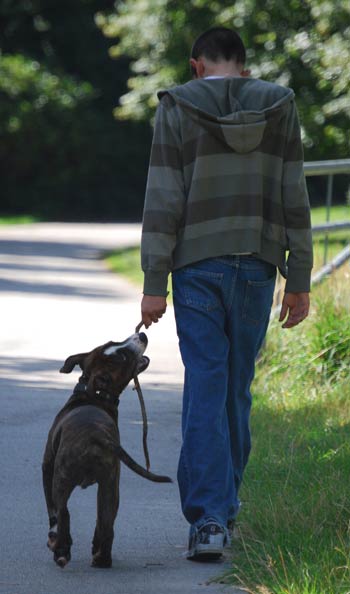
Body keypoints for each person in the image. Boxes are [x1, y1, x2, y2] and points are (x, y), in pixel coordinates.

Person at [140, 27, 313, 560]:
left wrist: (153, 282)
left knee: (207, 387)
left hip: (196, 268)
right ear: (243, 65)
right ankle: (225, 511)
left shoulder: (176, 106)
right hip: (258, 267)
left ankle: (210, 520)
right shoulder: (279, 105)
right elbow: (294, 192)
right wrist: (299, 277)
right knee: (236, 389)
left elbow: (164, 193)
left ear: (196, 66)